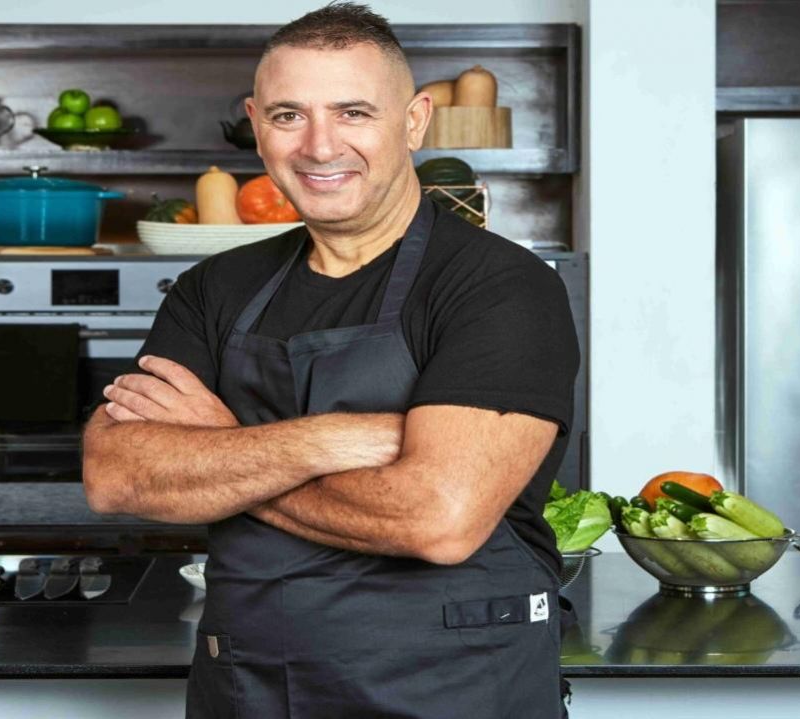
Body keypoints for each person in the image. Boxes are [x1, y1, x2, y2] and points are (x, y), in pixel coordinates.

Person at [82, 3, 580, 717]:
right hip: (250, 691)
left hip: (459, 691)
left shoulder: (498, 284)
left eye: (353, 113)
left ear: (414, 121)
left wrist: (223, 449)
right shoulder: (214, 288)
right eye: (288, 115)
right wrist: (330, 439)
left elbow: (437, 518)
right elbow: (115, 473)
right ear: (256, 125)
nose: (319, 146)